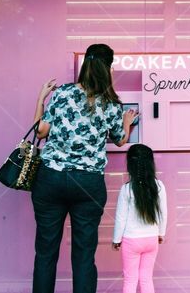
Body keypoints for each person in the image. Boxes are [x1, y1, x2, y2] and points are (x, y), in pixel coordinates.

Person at [31, 43, 138, 293]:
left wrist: (41, 98)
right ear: (108, 69)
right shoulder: (111, 103)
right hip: (88, 183)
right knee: (83, 255)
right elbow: (121, 139)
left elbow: (40, 131)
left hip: (51, 179)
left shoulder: (62, 94)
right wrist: (126, 120)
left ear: (85, 66)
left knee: (46, 252)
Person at [112, 144, 167, 293]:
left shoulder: (127, 189)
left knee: (130, 279)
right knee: (146, 278)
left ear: (130, 164)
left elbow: (120, 217)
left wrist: (116, 239)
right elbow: (163, 212)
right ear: (151, 164)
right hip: (151, 239)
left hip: (131, 240)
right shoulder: (159, 186)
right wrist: (161, 233)